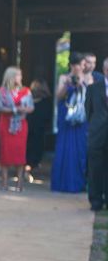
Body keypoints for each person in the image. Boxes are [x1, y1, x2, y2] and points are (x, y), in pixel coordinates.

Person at [51, 52, 88, 193]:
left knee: (79, 149)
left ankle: (78, 183)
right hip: (66, 115)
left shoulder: (87, 78)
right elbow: (58, 96)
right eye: (80, 64)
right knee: (64, 147)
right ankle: (61, 182)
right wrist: (67, 85)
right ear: (73, 65)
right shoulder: (64, 77)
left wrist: (81, 84)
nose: (82, 67)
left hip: (80, 117)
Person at [0, 66, 34, 192]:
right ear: (11, 76)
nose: (20, 77)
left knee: (20, 154)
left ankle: (19, 184)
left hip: (21, 125)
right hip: (6, 124)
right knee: (5, 154)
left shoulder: (26, 91)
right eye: (18, 75)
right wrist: (15, 109)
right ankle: (4, 183)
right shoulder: (2, 91)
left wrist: (25, 109)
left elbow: (31, 107)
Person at [85, 56, 108, 211]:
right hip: (97, 134)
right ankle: (95, 199)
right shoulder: (93, 88)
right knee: (95, 168)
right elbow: (88, 111)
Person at [26, 79, 52, 176]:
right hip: (29, 126)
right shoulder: (28, 98)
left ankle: (34, 164)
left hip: (39, 127)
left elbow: (47, 115)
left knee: (37, 146)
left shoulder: (46, 101)